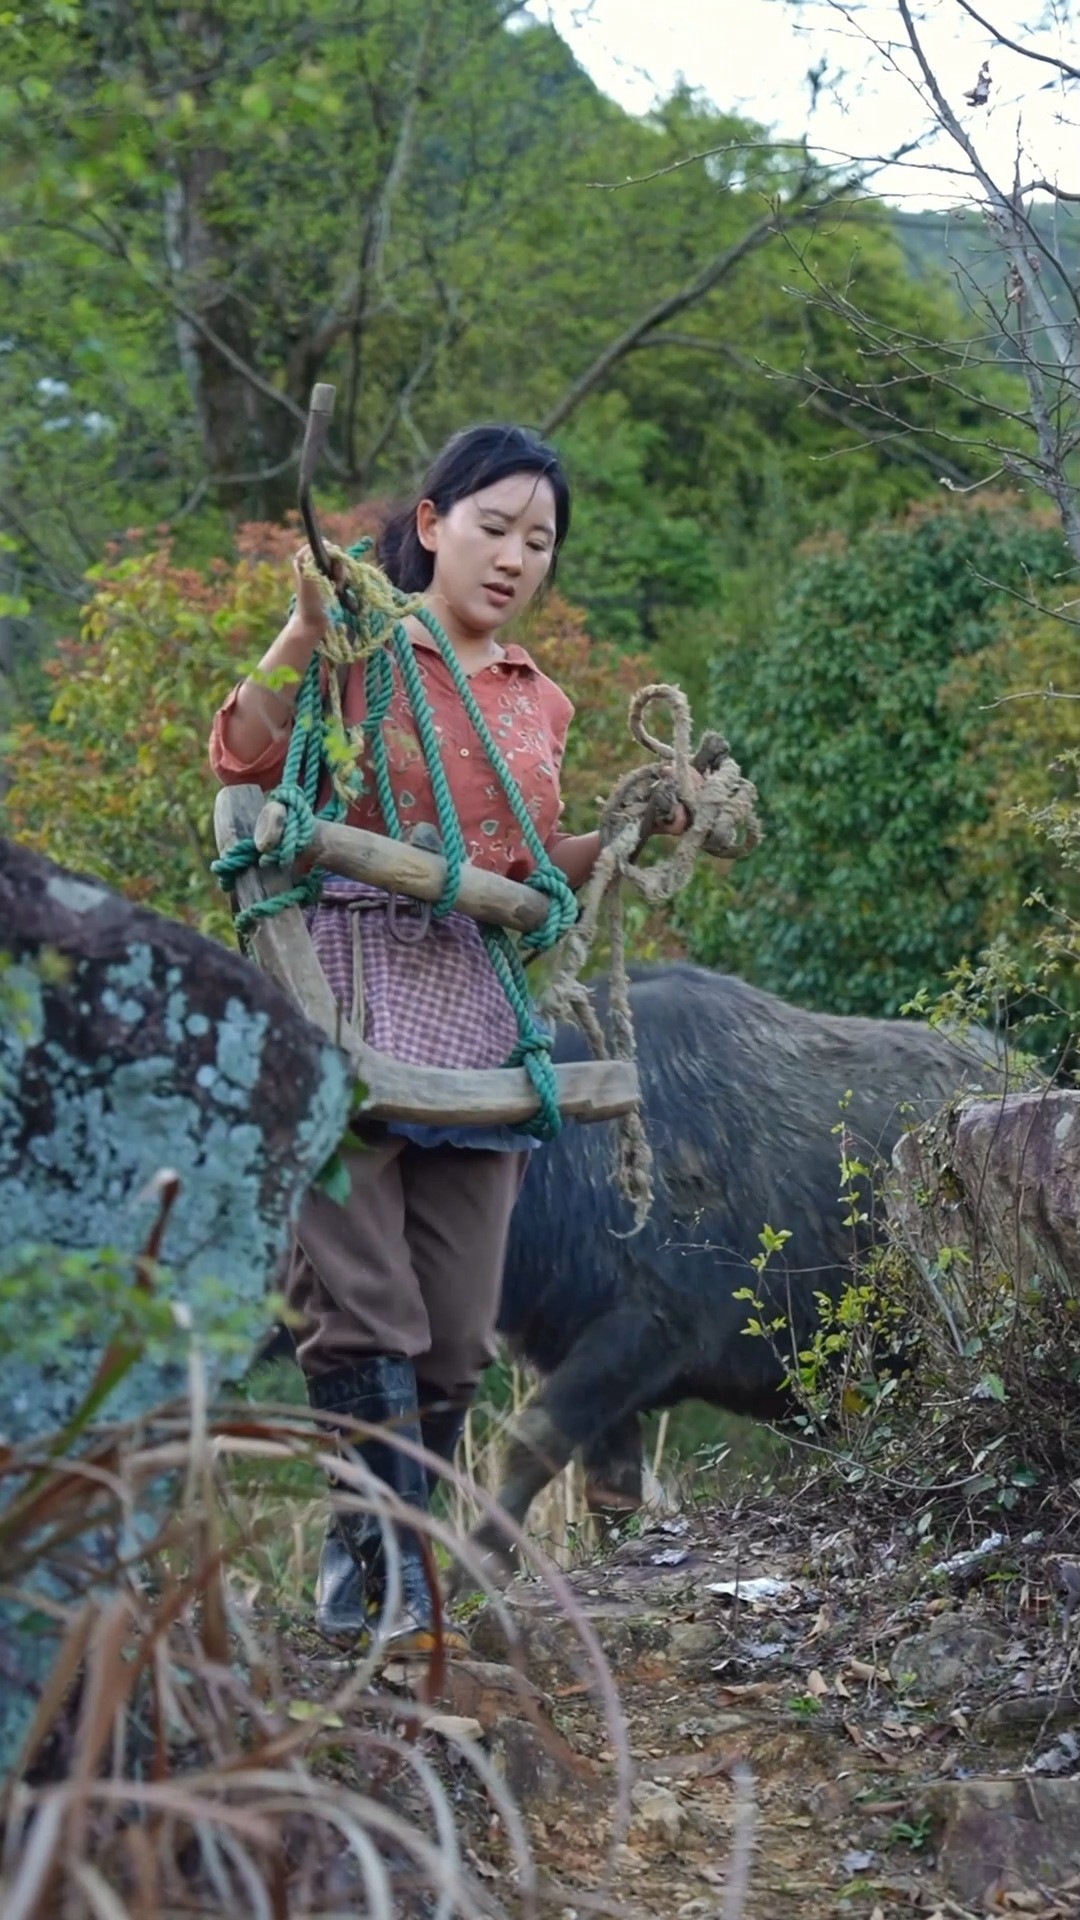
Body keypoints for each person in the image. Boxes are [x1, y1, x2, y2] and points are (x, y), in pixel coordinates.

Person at [210, 423, 688, 1656]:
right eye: (493, 527)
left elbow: (531, 870)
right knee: (362, 1305)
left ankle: (380, 1571)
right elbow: (244, 755)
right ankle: (382, 1592)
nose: (515, 558)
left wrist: (632, 832)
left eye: (539, 542)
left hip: (479, 1016)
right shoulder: (364, 642)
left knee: (462, 1325)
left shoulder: (544, 702)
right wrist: (306, 627)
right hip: (344, 993)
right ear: (429, 524)